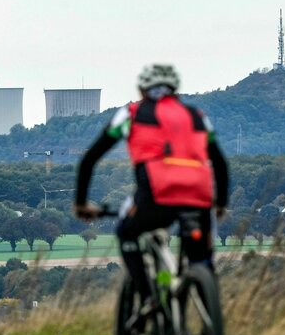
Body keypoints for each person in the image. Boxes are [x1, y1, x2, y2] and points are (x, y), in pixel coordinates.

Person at [73, 64, 229, 306]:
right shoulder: (197, 116)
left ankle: (147, 297)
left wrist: (81, 202)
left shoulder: (132, 114)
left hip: (157, 197)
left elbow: (90, 159)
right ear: (175, 90)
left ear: (142, 90)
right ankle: (211, 322)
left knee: (126, 231)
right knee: (202, 261)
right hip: (200, 197)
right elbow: (220, 162)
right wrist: (220, 204)